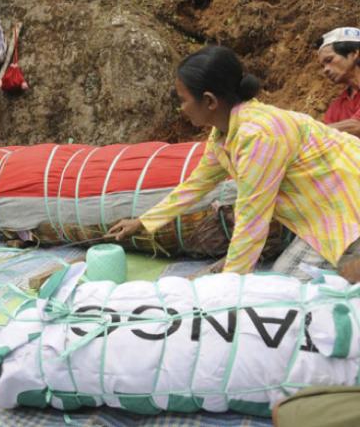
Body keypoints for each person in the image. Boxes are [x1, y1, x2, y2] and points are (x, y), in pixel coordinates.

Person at [109, 45, 360, 282]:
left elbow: (252, 220)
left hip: (349, 205)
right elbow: (196, 184)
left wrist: (229, 287)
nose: (181, 109)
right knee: (282, 287)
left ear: (209, 101)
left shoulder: (259, 135)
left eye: (183, 100)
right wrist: (143, 222)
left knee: (291, 296)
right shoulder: (223, 134)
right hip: (324, 215)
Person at [317, 27, 360, 137]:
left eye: (329, 60)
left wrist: (313, 130)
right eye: (323, 65)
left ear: (354, 53)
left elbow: (357, 126)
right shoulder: (337, 106)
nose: (325, 70)